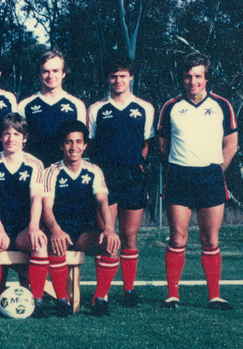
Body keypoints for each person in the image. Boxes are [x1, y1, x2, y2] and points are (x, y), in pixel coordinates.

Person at [156, 52, 237, 310]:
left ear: (206, 78)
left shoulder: (222, 105)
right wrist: (181, 163)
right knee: (178, 237)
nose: (193, 81)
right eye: (188, 76)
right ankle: (172, 295)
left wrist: (215, 169)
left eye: (198, 76)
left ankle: (214, 295)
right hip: (179, 176)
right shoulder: (171, 107)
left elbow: (231, 144)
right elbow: (162, 145)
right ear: (182, 78)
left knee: (210, 240)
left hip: (211, 177)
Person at [86, 53, 155, 308]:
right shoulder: (96, 109)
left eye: (122, 76)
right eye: (113, 76)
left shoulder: (145, 108)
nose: (118, 80)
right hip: (105, 177)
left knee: (129, 236)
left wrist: (134, 165)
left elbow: (146, 145)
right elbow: (90, 145)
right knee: (107, 235)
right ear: (108, 78)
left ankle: (129, 290)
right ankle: (100, 294)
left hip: (133, 177)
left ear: (131, 77)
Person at [41, 119, 120, 317]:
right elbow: (47, 207)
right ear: (61, 145)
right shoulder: (51, 172)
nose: (74, 147)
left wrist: (109, 228)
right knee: (54, 244)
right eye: (68, 142)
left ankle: (99, 299)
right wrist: (55, 229)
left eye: (78, 142)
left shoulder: (94, 171)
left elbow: (103, 202)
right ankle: (62, 301)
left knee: (111, 246)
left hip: (85, 232)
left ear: (85, 145)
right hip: (61, 229)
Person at [0, 113, 48, 319]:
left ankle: (38, 301)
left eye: (16, 134)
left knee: (40, 242)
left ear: (24, 138)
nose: (11, 138)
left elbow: (37, 197)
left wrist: (34, 226)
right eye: (6, 134)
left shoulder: (35, 164)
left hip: (22, 228)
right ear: (0, 137)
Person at [18, 50, 86, 167]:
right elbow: (18, 142)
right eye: (45, 71)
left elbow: (80, 142)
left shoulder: (77, 105)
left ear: (63, 73)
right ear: (39, 74)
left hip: (65, 171)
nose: (50, 76)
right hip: (34, 171)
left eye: (55, 71)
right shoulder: (24, 105)